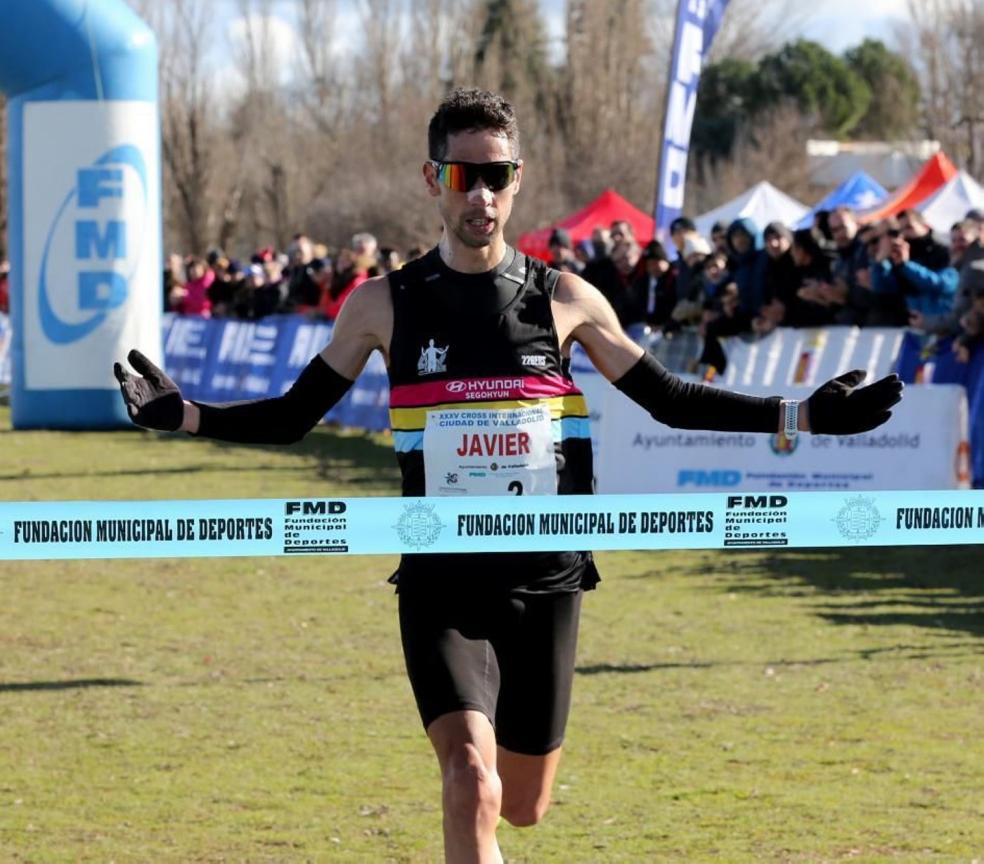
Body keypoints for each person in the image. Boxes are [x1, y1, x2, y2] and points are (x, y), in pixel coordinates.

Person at [113, 87, 902, 864]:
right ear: (434, 181)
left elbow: (666, 397)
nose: (481, 195)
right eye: (463, 176)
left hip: (546, 580)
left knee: (522, 806)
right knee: (471, 783)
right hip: (441, 581)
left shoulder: (565, 299)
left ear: (517, 179)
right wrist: (187, 415)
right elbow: (293, 415)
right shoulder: (383, 304)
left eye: (496, 176)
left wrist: (799, 416)